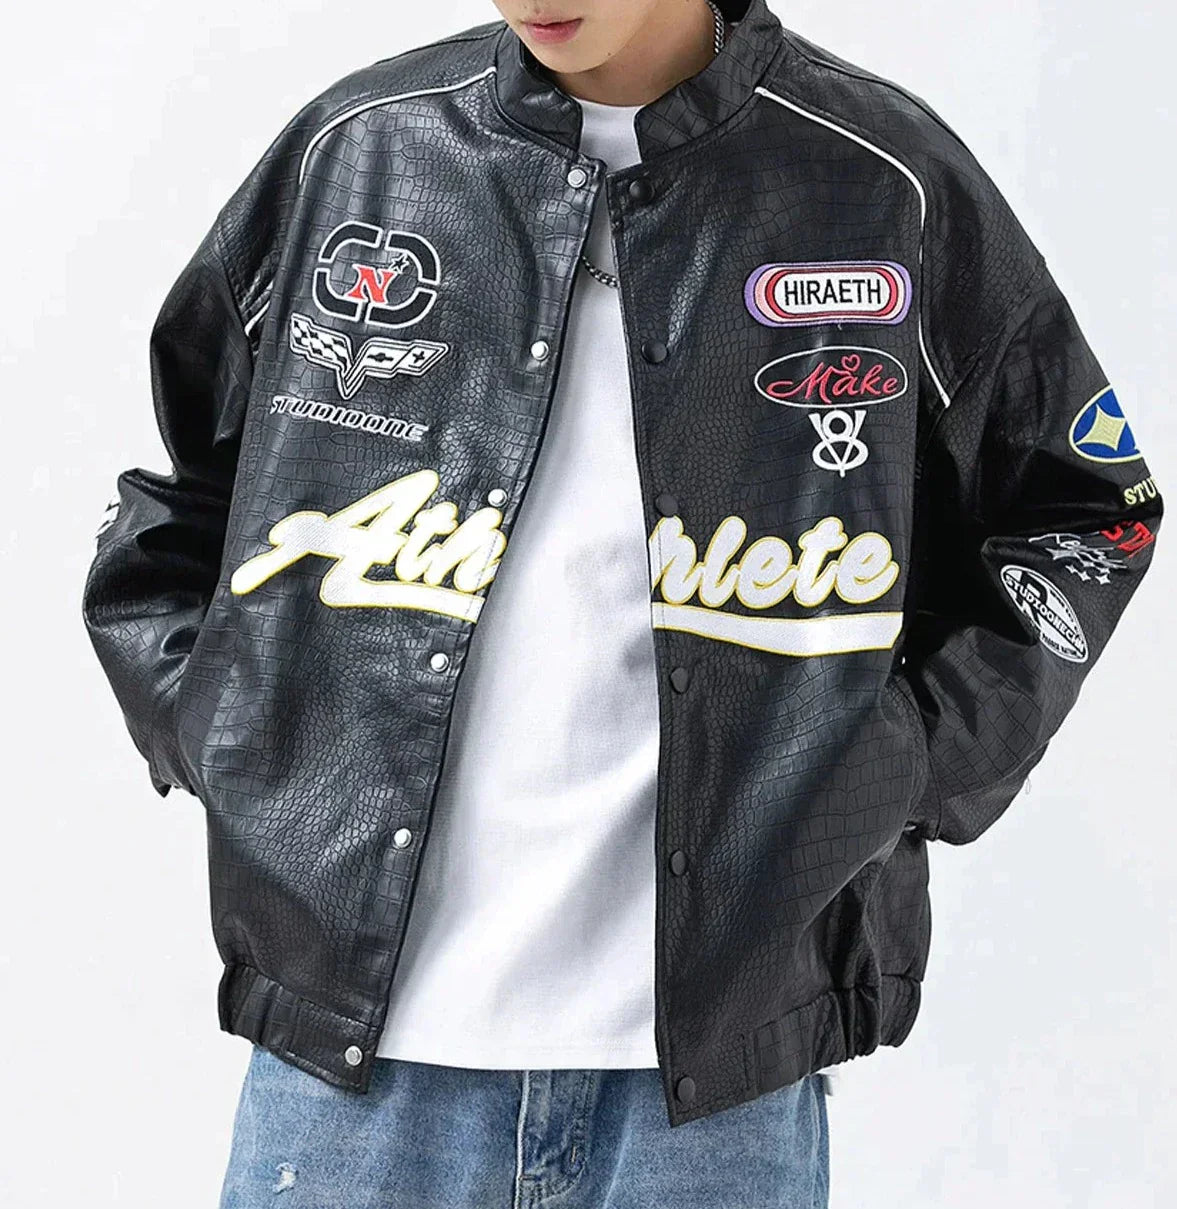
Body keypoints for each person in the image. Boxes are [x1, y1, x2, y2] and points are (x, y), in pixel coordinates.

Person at [80, 1, 1162, 1206]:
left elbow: (1086, 511)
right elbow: (180, 496)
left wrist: (904, 762)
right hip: (347, 1069)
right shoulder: (362, 148)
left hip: (712, 1092)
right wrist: (221, 727)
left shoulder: (879, 178)